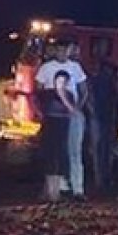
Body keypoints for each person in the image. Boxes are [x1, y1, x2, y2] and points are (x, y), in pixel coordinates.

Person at [36, 43, 88, 200]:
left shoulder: (76, 67)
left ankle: (77, 188)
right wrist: (41, 110)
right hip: (53, 115)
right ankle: (56, 187)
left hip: (70, 115)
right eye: (59, 49)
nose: (62, 52)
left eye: (65, 49)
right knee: (55, 152)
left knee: (74, 151)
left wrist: (77, 108)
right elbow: (38, 91)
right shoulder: (46, 68)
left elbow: (84, 90)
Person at [36, 70, 76, 202]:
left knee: (59, 159)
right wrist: (40, 113)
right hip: (49, 126)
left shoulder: (69, 95)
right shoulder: (47, 94)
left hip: (62, 127)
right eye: (58, 81)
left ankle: (55, 192)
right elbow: (36, 101)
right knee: (49, 159)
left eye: (63, 81)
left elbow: (71, 110)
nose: (60, 84)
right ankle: (49, 191)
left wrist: (62, 95)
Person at [87, 61, 118, 194]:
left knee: (99, 149)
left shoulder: (96, 81)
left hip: (101, 118)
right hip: (105, 118)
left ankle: (100, 178)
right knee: (104, 149)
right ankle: (102, 178)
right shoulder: (109, 83)